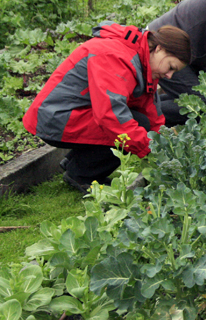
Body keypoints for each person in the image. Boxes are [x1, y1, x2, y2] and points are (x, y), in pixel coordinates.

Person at [23, 22, 192, 194]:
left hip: (72, 112)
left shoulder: (143, 59)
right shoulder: (115, 56)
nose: (169, 75)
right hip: (54, 118)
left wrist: (163, 142)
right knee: (131, 128)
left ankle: (75, 161)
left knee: (142, 124)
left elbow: (150, 110)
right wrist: (148, 148)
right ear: (159, 49)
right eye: (171, 67)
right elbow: (110, 116)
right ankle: (81, 175)